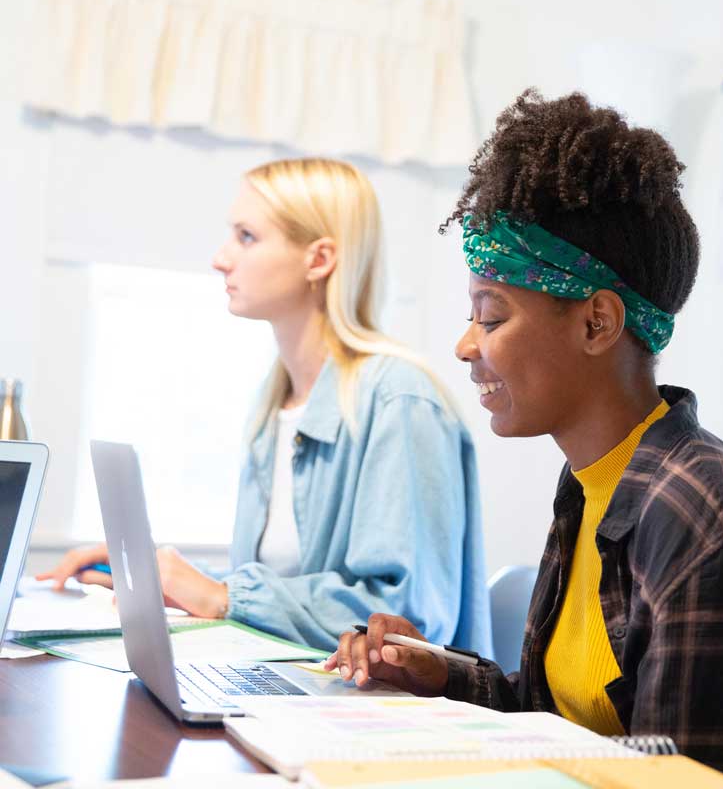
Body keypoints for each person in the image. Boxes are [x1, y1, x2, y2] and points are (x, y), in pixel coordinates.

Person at [326, 90, 723, 788]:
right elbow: (571, 726)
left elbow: (693, 781)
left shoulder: (704, 521)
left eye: (490, 316)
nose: (464, 346)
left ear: (596, 325)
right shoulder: (592, 481)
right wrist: (440, 672)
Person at [38, 157, 491, 655]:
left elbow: (409, 618)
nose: (220, 258)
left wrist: (224, 596)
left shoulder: (400, 400)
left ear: (319, 259)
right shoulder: (271, 403)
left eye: (246, 237)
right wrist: (155, 574)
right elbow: (281, 590)